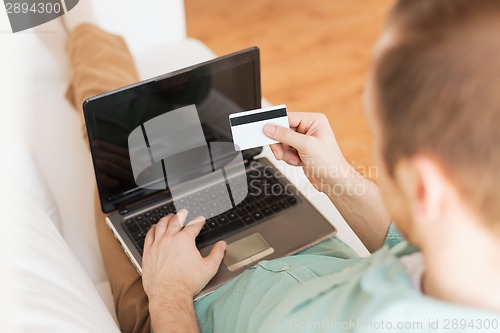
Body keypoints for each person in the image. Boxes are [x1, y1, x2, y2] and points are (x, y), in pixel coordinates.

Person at [62, 0, 500, 332]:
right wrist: (338, 178)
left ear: (425, 188)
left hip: (185, 304)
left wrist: (168, 292)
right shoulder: (468, 259)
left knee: (112, 155)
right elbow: (402, 240)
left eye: (376, 135)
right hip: (299, 248)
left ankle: (82, 26)